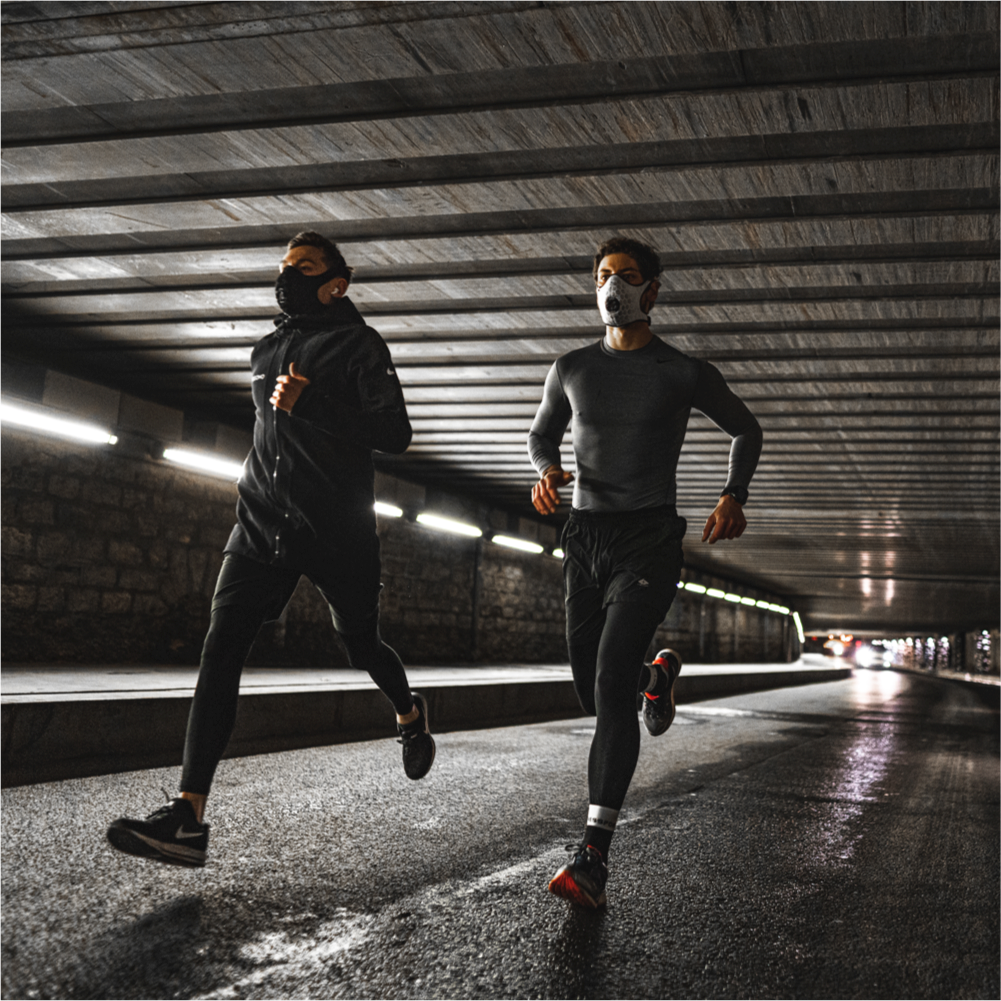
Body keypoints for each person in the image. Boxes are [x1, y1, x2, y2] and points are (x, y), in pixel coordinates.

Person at [107, 232, 434, 868]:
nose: (287, 278)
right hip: (261, 523)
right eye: (284, 268)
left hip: (336, 530)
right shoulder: (267, 347)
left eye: (303, 269)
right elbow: (270, 435)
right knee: (222, 644)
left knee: (359, 644)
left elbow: (394, 432)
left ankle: (409, 711)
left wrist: (316, 404)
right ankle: (188, 816)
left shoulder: (360, 346)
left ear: (336, 282)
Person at [528, 236, 762, 908]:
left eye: (626, 277)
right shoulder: (570, 366)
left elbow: (745, 428)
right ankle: (655, 676)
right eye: (602, 275)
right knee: (590, 685)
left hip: (649, 538)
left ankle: (592, 857)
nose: (612, 287)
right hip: (585, 535)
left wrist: (732, 493)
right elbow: (542, 432)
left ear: (652, 290)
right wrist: (545, 472)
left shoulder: (682, 372)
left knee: (606, 679)